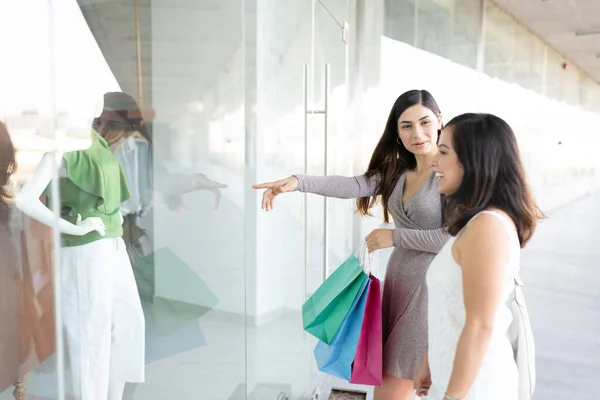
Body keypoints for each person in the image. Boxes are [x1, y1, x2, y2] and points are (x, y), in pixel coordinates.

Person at [253, 89, 450, 400]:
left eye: (425, 122)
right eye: (406, 126)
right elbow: (353, 185)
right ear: (396, 133)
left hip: (427, 292)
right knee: (386, 384)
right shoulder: (398, 170)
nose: (418, 133)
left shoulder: (449, 174)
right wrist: (298, 181)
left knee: (392, 388)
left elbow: (451, 238)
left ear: (439, 121)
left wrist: (393, 236)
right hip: (397, 283)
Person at [15, 124, 145, 400]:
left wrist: (116, 216)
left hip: (112, 242)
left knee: (128, 324)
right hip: (84, 248)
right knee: (90, 336)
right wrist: (74, 228)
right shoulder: (61, 146)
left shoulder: (97, 140)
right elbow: (25, 199)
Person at [417, 113, 542, 399]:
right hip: (460, 381)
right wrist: (430, 359)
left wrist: (452, 397)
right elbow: (457, 308)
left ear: (475, 161)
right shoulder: (478, 224)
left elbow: (481, 324)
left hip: (476, 388)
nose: (435, 161)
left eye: (444, 152)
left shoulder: (486, 227)